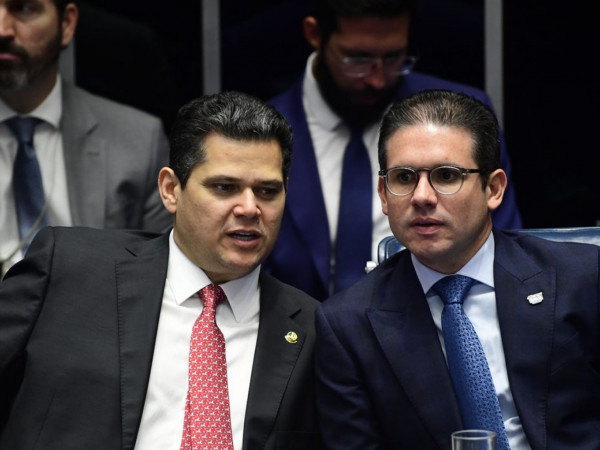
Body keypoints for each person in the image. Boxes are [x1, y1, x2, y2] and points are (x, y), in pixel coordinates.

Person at [0, 91, 322, 449]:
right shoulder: (69, 268)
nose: (249, 208)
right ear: (171, 190)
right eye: (225, 187)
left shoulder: (313, 329)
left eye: (267, 191)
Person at [315, 90, 599, 449]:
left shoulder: (582, 277)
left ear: (493, 189)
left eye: (447, 176)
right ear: (384, 195)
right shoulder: (347, 326)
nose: (422, 196)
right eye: (404, 178)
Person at [265, 0, 522, 301]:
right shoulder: (264, 133)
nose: (377, 79)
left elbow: (500, 249)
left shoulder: (462, 118)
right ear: (315, 34)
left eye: (393, 58)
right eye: (357, 59)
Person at [0, 0, 171, 276]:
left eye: (24, 8)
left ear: (66, 24)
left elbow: (158, 278)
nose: (2, 30)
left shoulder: (138, 141)